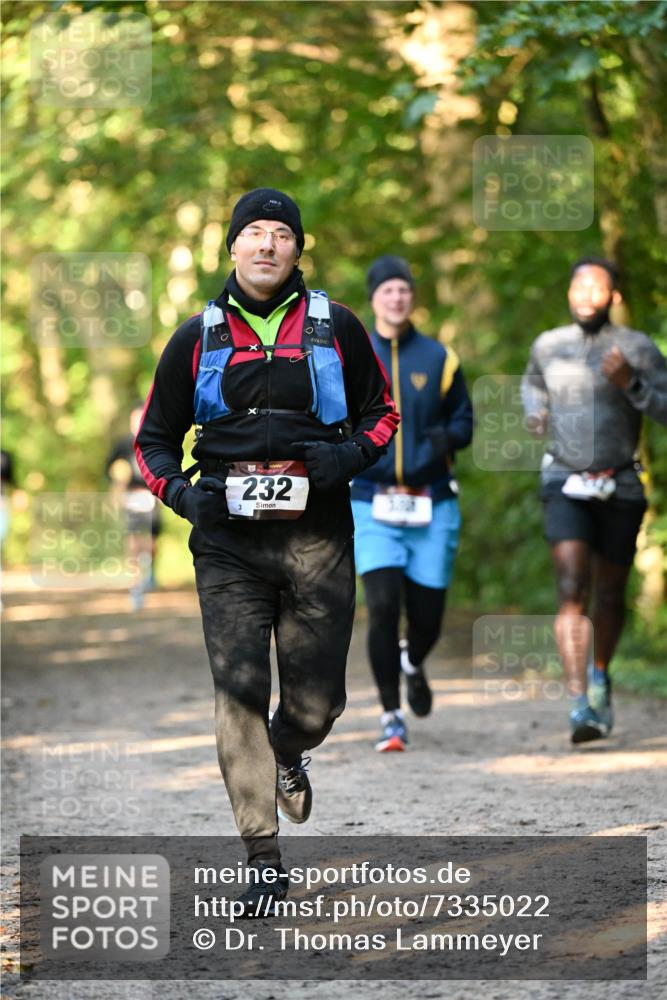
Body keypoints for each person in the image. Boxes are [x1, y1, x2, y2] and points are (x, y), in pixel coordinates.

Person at [135, 188, 399, 913]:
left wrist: (338, 462)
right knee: (239, 690)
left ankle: (291, 749)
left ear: (296, 250)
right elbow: (152, 444)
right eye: (253, 232)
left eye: (280, 234)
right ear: (231, 248)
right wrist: (187, 496)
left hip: (317, 536)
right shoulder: (196, 338)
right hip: (227, 544)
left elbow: (382, 416)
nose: (266, 245)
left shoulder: (336, 327)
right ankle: (262, 856)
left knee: (318, 703)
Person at [521, 256, 667, 744]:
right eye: (578, 286)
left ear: (614, 297)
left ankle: (601, 674)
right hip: (564, 479)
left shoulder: (637, 348)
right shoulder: (548, 344)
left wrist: (632, 383)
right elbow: (531, 383)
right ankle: (580, 701)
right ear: (569, 293)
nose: (586, 294)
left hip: (622, 483)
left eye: (597, 287)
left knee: (609, 593)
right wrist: (535, 410)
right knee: (571, 585)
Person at [350, 256, 473, 752]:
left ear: (412, 297)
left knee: (427, 619)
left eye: (403, 290)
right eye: (387, 291)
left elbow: (465, 422)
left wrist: (441, 439)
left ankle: (413, 661)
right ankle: (390, 715)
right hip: (372, 504)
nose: (396, 298)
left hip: (431, 502)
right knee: (382, 606)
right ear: (374, 298)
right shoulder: (353, 357)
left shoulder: (440, 359)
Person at [106, 404, 162, 610]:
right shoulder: (123, 444)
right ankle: (136, 583)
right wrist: (116, 489)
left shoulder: (153, 439)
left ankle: (149, 571)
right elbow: (110, 467)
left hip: (151, 497)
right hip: (131, 496)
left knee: (152, 542)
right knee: (133, 541)